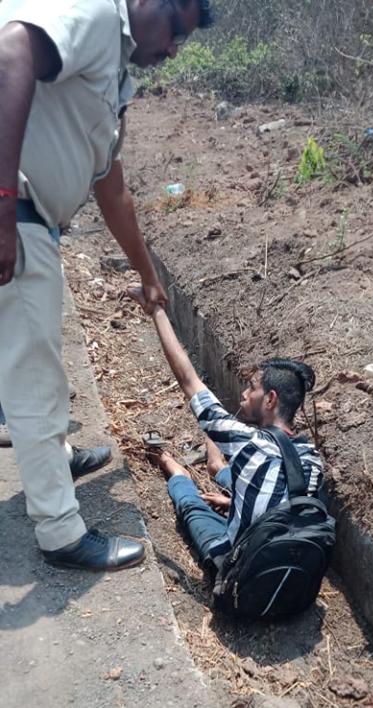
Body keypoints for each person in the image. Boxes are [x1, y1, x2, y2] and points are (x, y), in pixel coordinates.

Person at [0, 0, 213, 571]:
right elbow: (13, 47)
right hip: (15, 210)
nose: (172, 48)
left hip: (34, 219)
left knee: (31, 355)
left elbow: (112, 189)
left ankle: (55, 456)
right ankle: (60, 533)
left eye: (181, 42)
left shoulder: (115, 76)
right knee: (36, 376)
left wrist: (147, 274)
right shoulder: (95, 16)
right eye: (173, 29)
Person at [128, 287, 325, 573]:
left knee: (192, 506)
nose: (244, 394)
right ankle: (216, 468)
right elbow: (286, 506)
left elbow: (188, 380)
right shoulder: (311, 457)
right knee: (232, 472)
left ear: (270, 399)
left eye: (252, 388)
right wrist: (234, 503)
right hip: (294, 570)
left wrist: (156, 310)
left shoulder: (250, 442)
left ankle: (173, 469)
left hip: (242, 573)